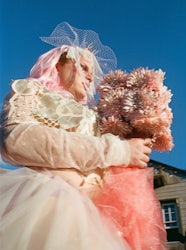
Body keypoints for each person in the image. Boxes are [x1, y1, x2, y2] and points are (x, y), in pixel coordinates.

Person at [0, 22, 166, 249]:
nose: (90, 77)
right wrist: (119, 150)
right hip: (44, 206)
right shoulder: (31, 91)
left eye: (92, 71)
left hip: (97, 226)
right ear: (58, 64)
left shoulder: (97, 116)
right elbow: (16, 140)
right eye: (84, 67)